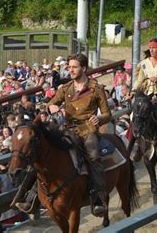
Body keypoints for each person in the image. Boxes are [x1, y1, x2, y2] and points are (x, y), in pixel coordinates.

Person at [47, 53, 111, 217]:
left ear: (84, 68)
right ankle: (34, 193)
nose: (71, 70)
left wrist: (99, 118)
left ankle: (98, 197)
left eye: (74, 67)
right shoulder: (66, 88)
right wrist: (53, 108)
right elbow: (51, 103)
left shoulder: (96, 89)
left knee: (94, 155)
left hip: (88, 129)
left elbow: (107, 114)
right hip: (67, 128)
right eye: (69, 67)